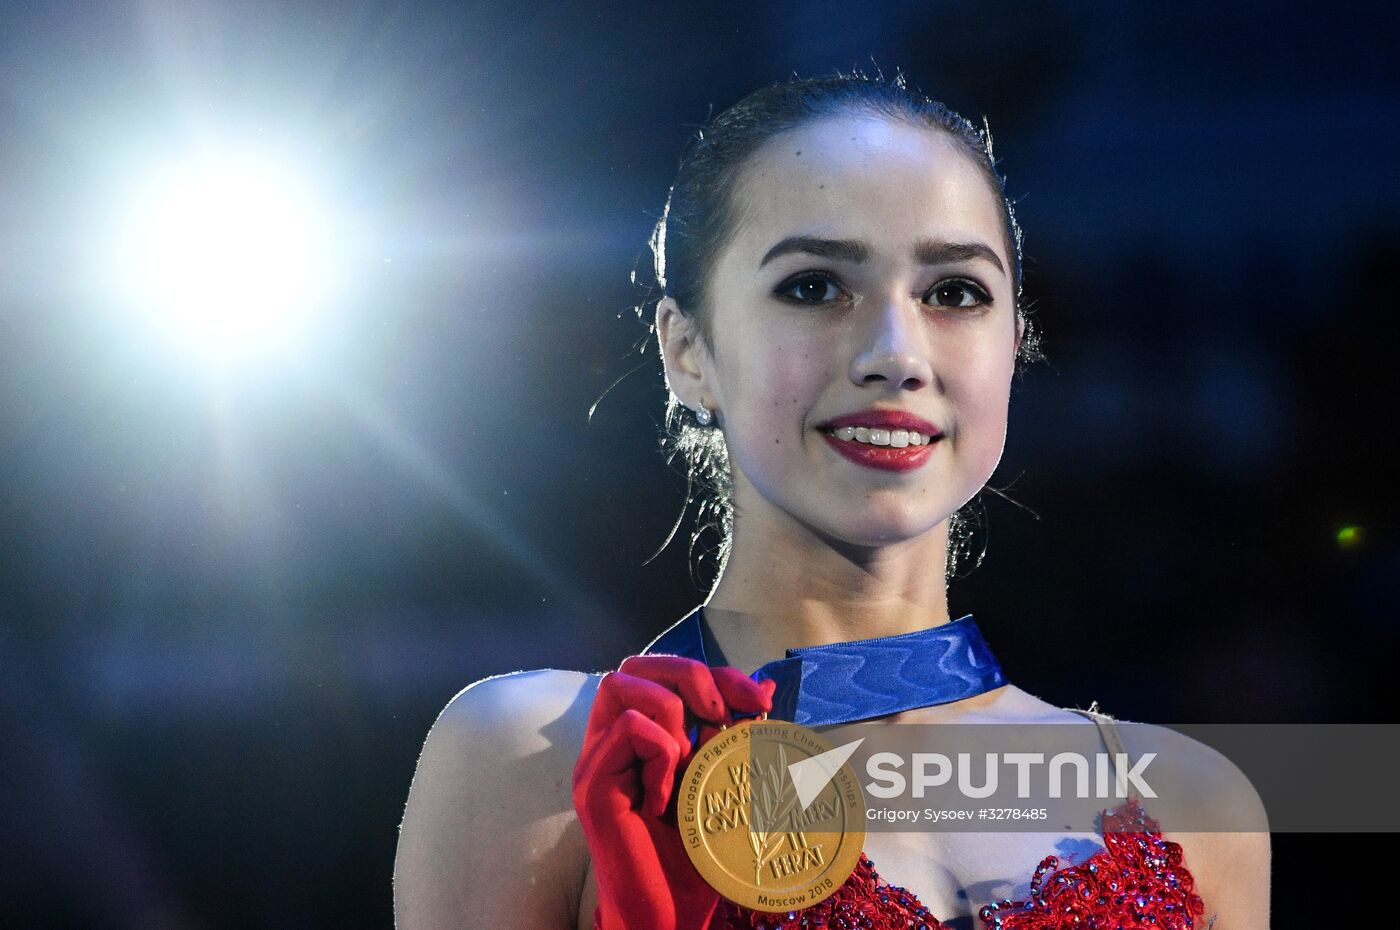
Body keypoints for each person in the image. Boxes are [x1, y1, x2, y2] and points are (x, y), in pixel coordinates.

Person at [392, 72, 1270, 930]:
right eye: (813, 286)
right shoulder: (539, 756)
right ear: (688, 351)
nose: (896, 352)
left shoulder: (1189, 799)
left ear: (1015, 345)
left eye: (954, 293)